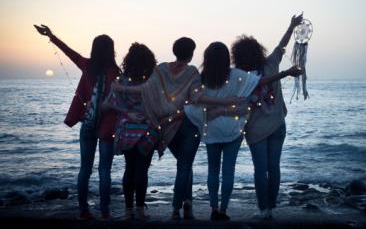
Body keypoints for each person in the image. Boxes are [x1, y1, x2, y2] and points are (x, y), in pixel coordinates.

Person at [111, 37, 242, 220]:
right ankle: (181, 206)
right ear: (191, 54)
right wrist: (225, 101)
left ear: (175, 50)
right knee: (185, 166)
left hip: (168, 126)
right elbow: (197, 98)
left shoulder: (162, 69)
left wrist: (121, 88)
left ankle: (177, 209)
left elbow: (145, 89)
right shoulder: (192, 72)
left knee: (183, 166)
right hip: (188, 124)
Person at [184, 42, 302, 220]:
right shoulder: (236, 75)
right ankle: (224, 210)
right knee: (229, 171)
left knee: (213, 170)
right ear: (226, 59)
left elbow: (195, 100)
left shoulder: (202, 78)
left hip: (213, 130)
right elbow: (261, 81)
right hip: (233, 130)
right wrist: (286, 73)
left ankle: (214, 208)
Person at [34, 24, 120, 219]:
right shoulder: (116, 72)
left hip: (88, 124)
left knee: (85, 168)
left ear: (94, 49)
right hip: (107, 127)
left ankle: (83, 210)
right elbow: (119, 101)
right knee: (104, 169)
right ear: (111, 50)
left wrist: (51, 36)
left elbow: (69, 52)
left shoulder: (87, 65)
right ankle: (105, 212)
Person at [230, 13, 303, 219]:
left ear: (238, 56)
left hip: (255, 130)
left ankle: (264, 210)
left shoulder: (239, 77)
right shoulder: (271, 64)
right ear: (258, 52)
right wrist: (291, 26)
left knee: (260, 170)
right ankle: (271, 207)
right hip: (278, 124)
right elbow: (282, 45)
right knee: (274, 167)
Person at [102, 43, 157, 219]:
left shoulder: (121, 81)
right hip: (147, 130)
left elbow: (108, 104)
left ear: (128, 61)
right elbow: (158, 105)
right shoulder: (152, 82)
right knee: (142, 169)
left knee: (130, 168)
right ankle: (140, 209)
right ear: (149, 61)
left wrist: (126, 113)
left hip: (126, 130)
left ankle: (128, 209)